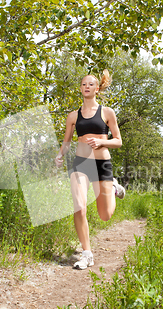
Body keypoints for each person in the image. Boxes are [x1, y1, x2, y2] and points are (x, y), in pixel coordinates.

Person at [55, 69, 125, 270]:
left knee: (105, 215)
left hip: (101, 164)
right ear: (81, 88)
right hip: (80, 164)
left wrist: (103, 143)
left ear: (97, 89)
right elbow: (67, 143)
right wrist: (60, 156)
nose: (87, 87)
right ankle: (87, 254)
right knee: (79, 206)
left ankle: (113, 187)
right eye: (84, 84)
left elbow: (118, 141)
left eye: (91, 84)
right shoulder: (72, 116)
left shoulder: (107, 112)